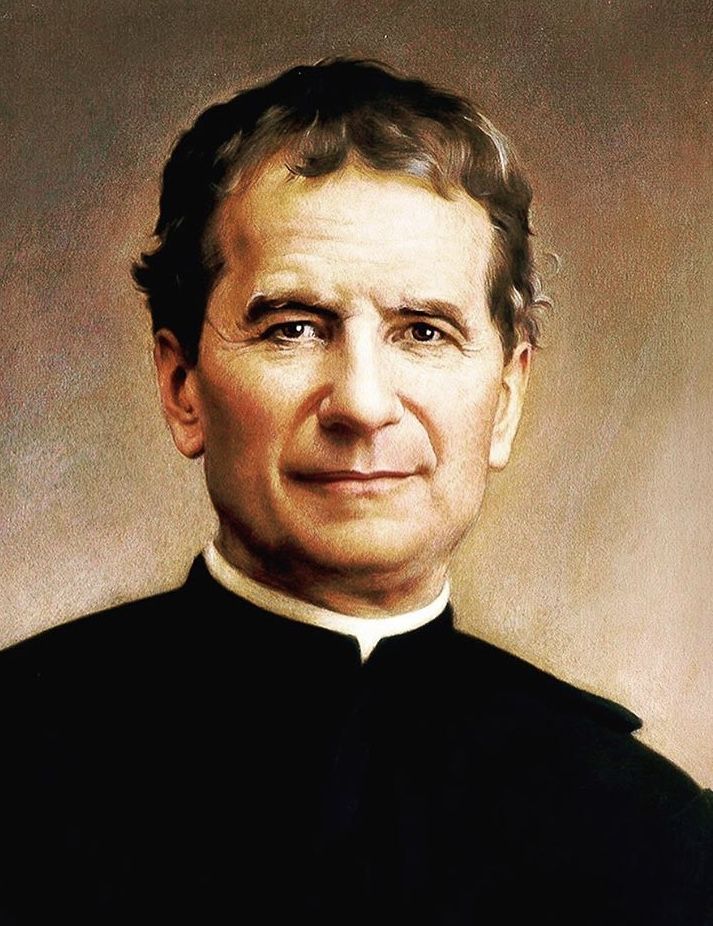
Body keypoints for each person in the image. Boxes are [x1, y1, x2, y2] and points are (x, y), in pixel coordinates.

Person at [1, 58, 711, 925]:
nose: (363, 404)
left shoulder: (649, 831)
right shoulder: (16, 753)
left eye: (424, 332)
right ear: (182, 386)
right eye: (293, 327)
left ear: (505, 400)